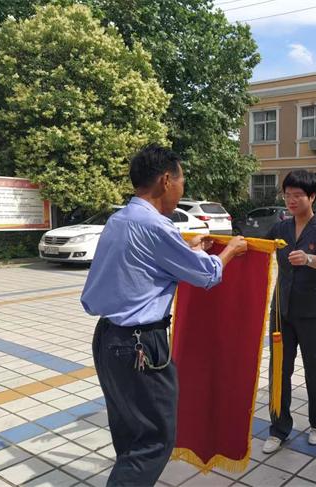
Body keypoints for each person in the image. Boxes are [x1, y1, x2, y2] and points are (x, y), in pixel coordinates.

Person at [81, 145, 247, 486]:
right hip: (140, 346)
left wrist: (189, 250)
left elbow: (147, 267)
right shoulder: (156, 226)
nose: (182, 190)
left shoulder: (119, 220)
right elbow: (207, 275)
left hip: (108, 338)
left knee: (130, 434)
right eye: (182, 181)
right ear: (166, 180)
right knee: (154, 440)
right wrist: (232, 249)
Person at [263, 170, 316, 454]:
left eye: (297, 195)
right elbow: (258, 247)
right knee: (279, 369)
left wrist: (308, 258)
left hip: (314, 312)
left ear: (312, 197)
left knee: (315, 368)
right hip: (282, 311)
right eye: (287, 195)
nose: (291, 200)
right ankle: (278, 428)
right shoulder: (280, 228)